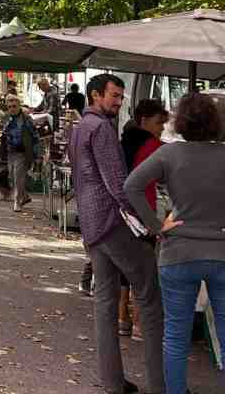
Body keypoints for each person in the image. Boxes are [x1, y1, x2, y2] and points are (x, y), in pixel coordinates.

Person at [68, 73, 164, 394]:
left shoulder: (79, 128)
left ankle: (111, 380)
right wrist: (149, 223)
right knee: (150, 296)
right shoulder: (102, 129)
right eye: (114, 96)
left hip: (92, 225)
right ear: (95, 96)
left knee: (105, 303)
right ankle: (159, 384)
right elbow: (119, 186)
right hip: (111, 224)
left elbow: (82, 179)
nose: (119, 102)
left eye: (121, 97)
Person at [125, 92, 225, 394]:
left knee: (176, 337)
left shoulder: (170, 154)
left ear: (180, 122)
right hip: (221, 251)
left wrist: (156, 227)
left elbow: (131, 186)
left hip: (178, 251)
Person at [118, 100, 168, 339]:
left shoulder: (123, 140)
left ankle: (122, 318)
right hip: (142, 212)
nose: (161, 128)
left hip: (121, 212)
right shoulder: (152, 145)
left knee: (124, 269)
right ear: (144, 120)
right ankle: (139, 323)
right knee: (144, 271)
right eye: (159, 123)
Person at [0, 94, 40, 212]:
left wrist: (37, 155)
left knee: (18, 177)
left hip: (23, 152)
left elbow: (35, 136)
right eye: (10, 106)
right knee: (11, 176)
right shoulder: (7, 118)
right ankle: (25, 196)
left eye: (14, 106)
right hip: (11, 152)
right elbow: (4, 134)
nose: (12, 108)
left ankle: (17, 201)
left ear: (19, 106)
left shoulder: (26, 119)